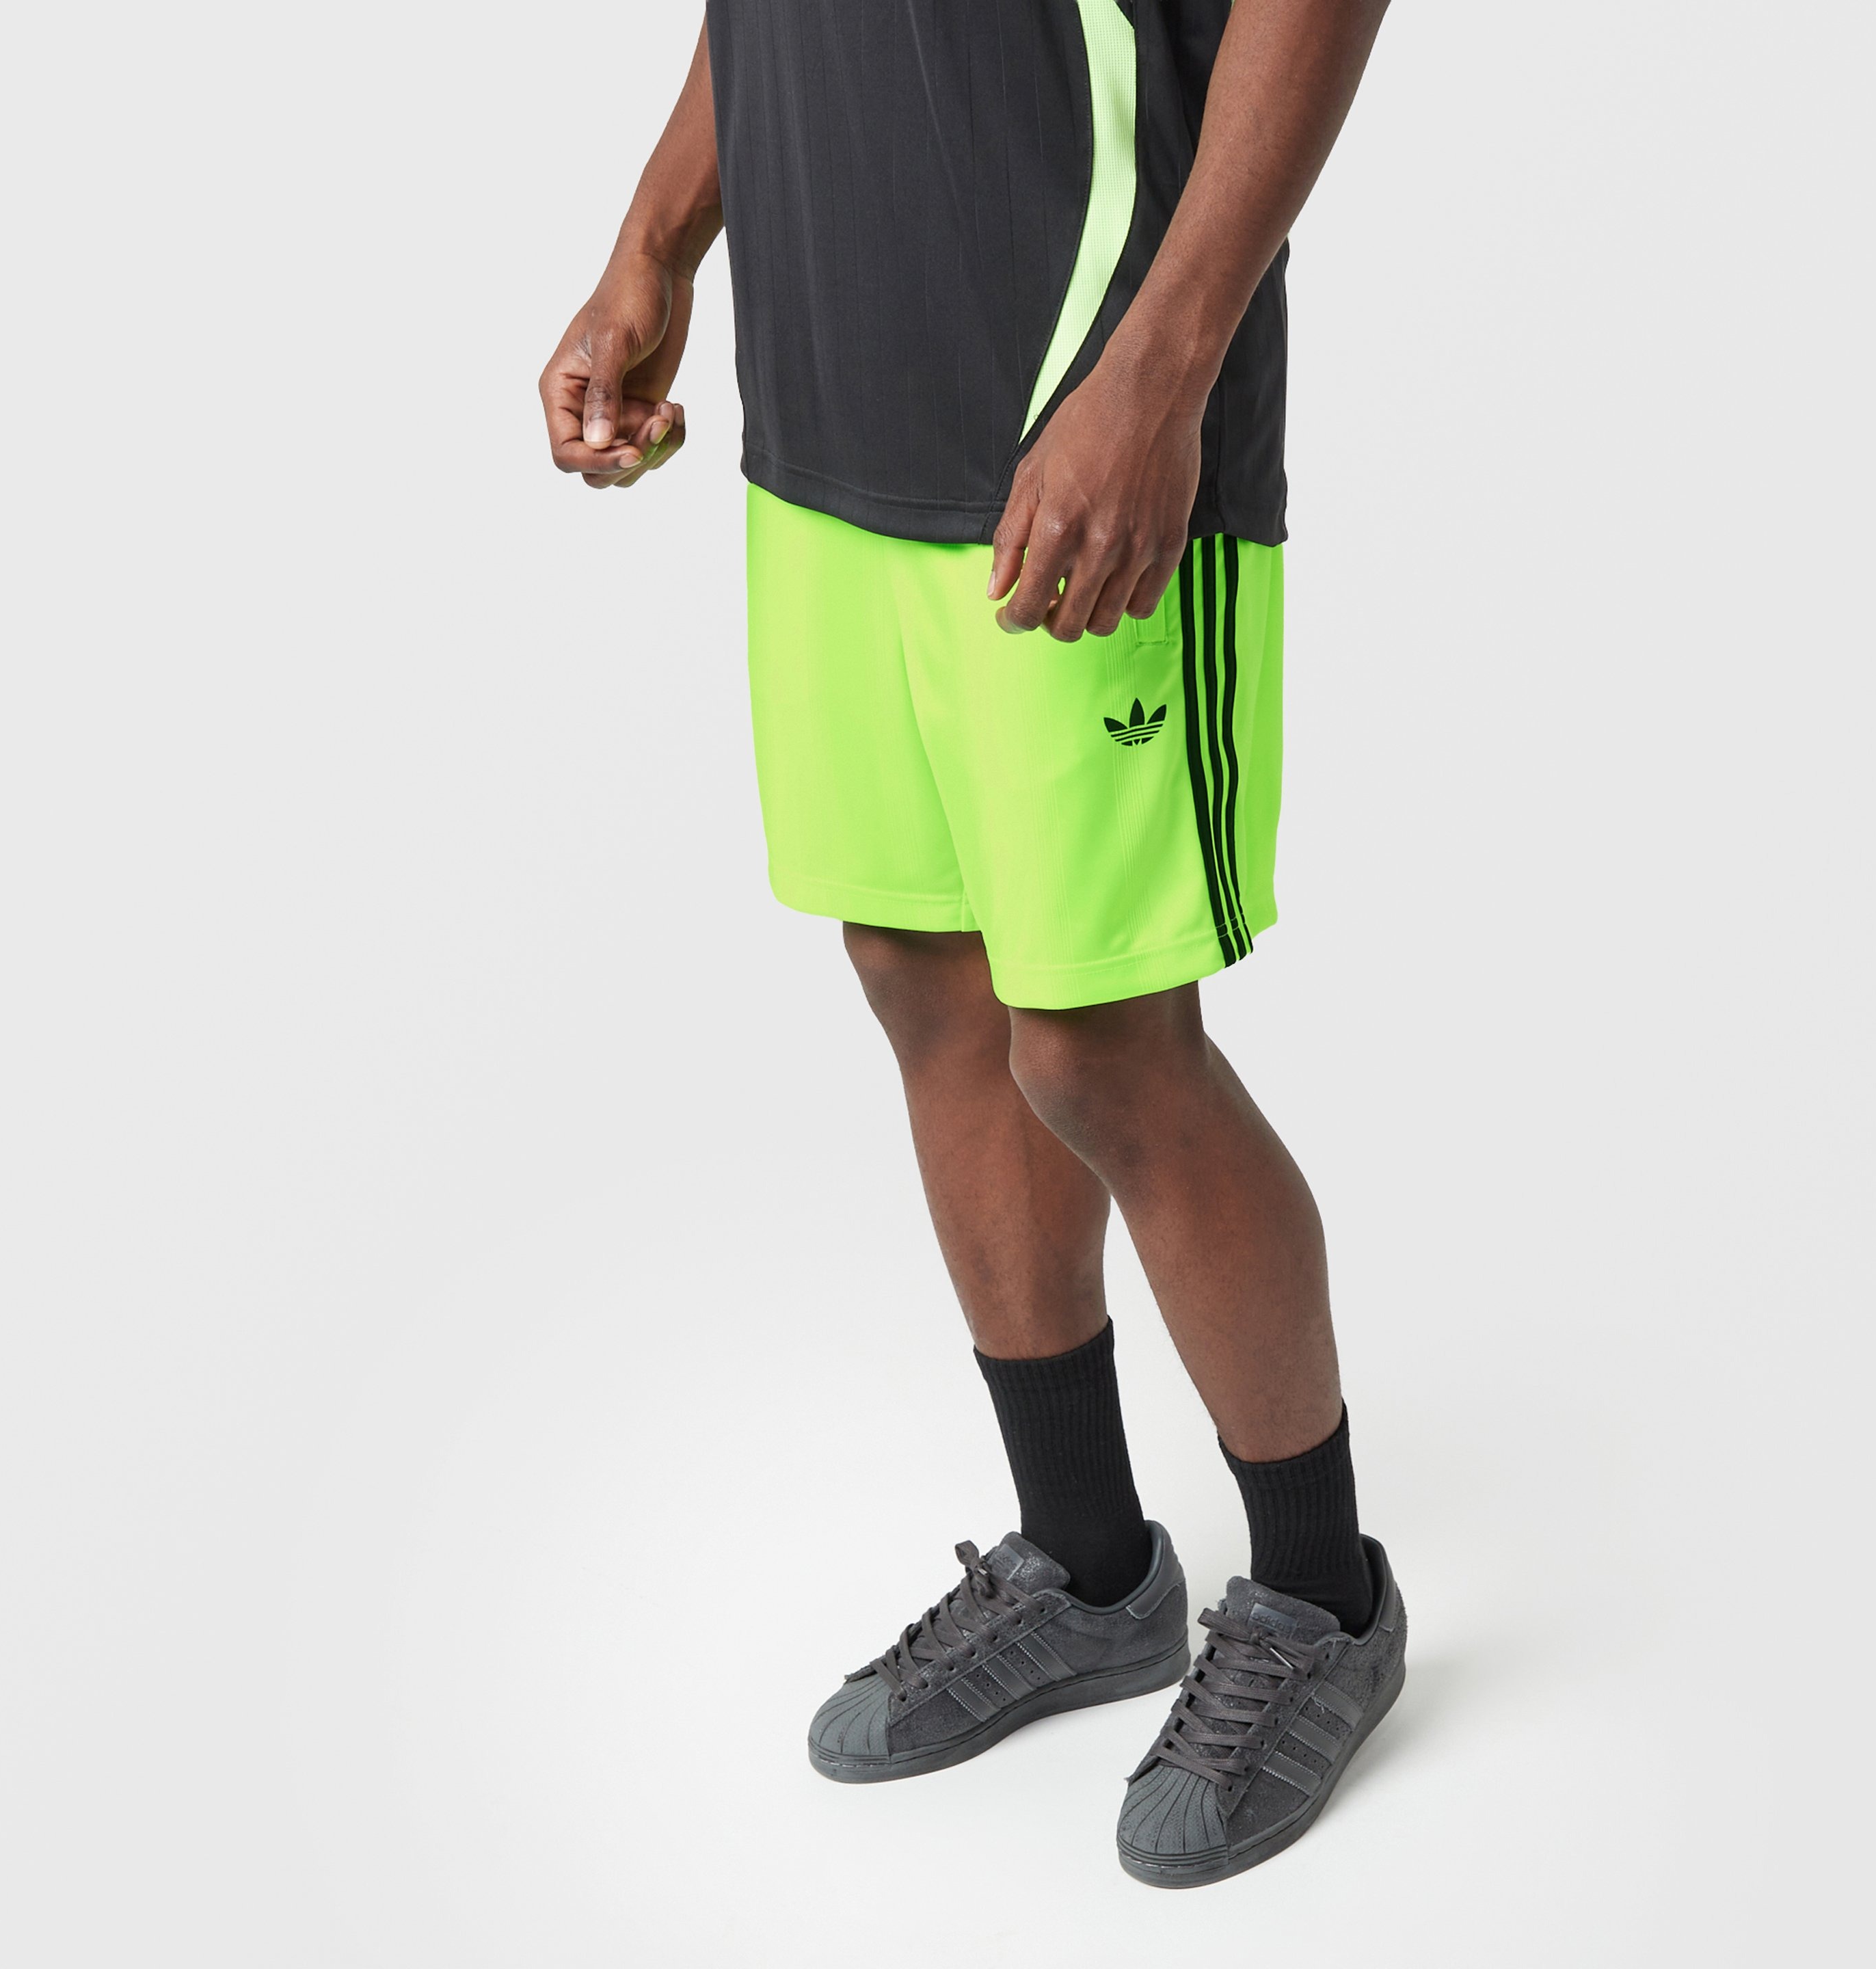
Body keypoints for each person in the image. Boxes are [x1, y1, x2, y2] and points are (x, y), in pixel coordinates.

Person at [540, 0, 1397, 1887]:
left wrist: (1159, 376)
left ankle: (1322, 1600)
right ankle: (1087, 1570)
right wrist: (656, 239)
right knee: (923, 976)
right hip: (831, 400)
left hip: (1083, 399)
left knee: (1100, 1041)